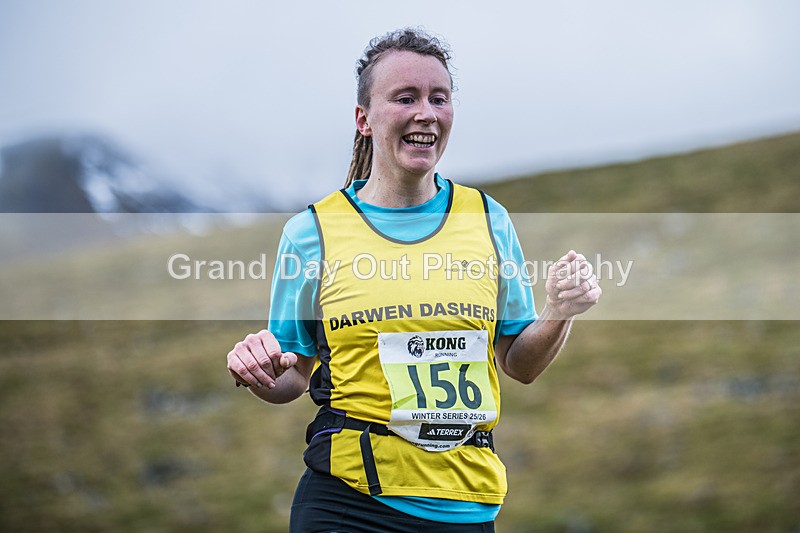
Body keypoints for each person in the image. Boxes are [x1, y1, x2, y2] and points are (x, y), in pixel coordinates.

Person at [226, 28, 601, 532]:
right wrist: (262, 370)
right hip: (348, 500)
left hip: (466, 503)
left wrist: (559, 313)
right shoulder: (311, 233)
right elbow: (292, 375)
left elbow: (519, 363)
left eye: (438, 98)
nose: (426, 113)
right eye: (406, 98)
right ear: (364, 119)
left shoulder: (488, 219)